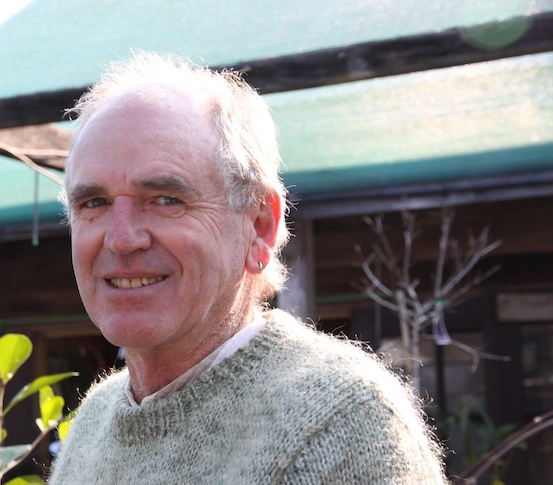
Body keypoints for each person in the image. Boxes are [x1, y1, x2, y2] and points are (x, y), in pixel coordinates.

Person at [49, 51, 447, 484]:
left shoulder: (342, 420)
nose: (122, 238)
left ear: (260, 226)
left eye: (166, 199)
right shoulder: (95, 418)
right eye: (94, 203)